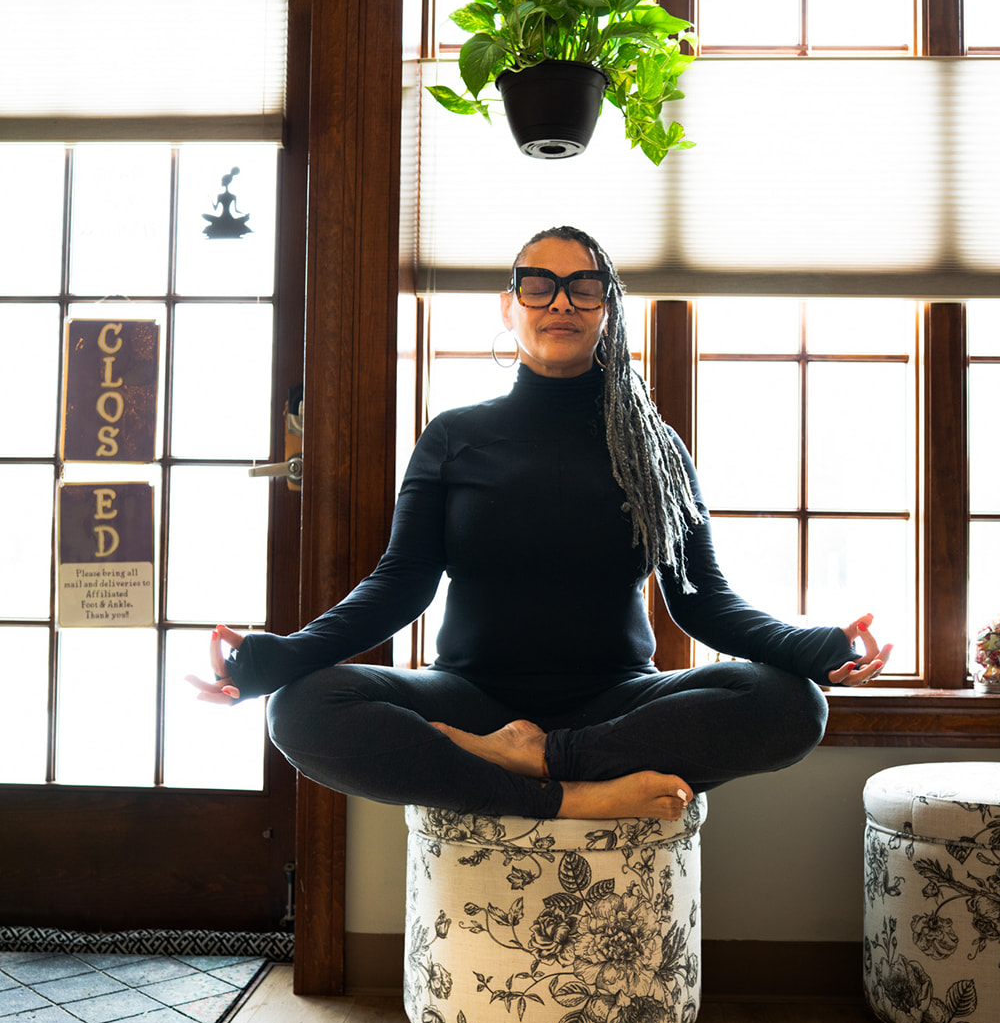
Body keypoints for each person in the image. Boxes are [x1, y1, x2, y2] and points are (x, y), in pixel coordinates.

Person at [188, 225, 890, 821]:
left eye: (585, 287)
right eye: (538, 284)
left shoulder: (655, 448)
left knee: (792, 704)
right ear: (508, 304)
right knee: (300, 710)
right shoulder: (454, 437)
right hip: (472, 699)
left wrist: (818, 650)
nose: (561, 302)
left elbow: (703, 601)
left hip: (617, 703)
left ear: (607, 309)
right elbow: (398, 587)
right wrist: (276, 659)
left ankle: (551, 762)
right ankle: (570, 801)